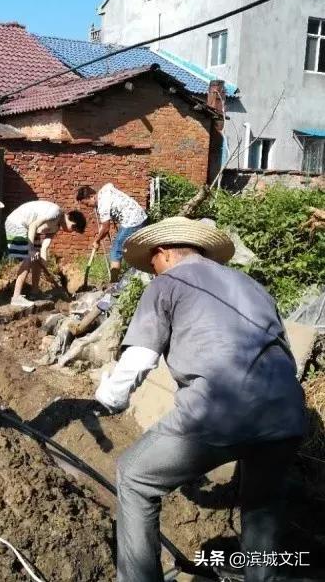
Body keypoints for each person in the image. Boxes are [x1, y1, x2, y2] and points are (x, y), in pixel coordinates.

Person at [94, 217, 306, 582]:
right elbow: (285, 352)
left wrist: (109, 396)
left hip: (220, 410)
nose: (152, 271)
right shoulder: (251, 285)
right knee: (261, 504)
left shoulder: (167, 284)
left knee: (134, 477)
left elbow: (140, 358)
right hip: (286, 414)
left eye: (152, 264)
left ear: (162, 254)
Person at [4, 200, 86, 307]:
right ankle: (16, 297)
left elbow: (44, 247)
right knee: (29, 257)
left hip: (29, 229)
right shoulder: (56, 212)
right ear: (69, 218)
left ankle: (35, 292)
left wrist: (46, 269)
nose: (71, 231)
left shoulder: (56, 227)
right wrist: (31, 249)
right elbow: (34, 225)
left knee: (36, 259)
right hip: (17, 224)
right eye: (73, 228)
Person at [76, 183, 147, 283]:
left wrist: (97, 240)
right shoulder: (105, 189)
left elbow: (105, 228)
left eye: (87, 203)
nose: (88, 206)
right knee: (134, 249)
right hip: (141, 216)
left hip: (132, 221)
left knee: (115, 250)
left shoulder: (102, 205)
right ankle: (139, 276)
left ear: (92, 197)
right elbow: (110, 184)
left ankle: (113, 283)